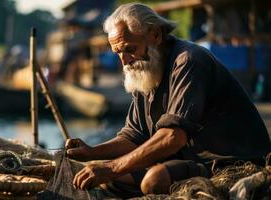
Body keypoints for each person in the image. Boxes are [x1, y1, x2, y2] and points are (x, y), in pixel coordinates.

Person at [65, 3, 271, 195]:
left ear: (155, 35)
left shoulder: (189, 60)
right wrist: (91, 153)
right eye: (118, 52)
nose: (125, 61)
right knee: (106, 179)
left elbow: (173, 137)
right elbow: (134, 136)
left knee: (154, 179)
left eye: (129, 49)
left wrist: (112, 167)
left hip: (230, 162)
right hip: (187, 160)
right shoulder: (143, 71)